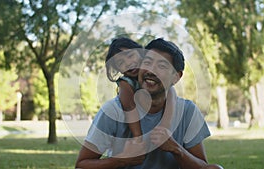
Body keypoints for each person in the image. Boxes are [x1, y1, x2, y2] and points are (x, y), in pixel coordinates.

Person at [75, 38, 223, 169]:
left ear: (176, 77)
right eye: (148, 63)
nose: (151, 71)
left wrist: (176, 149)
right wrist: (120, 160)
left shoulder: (187, 111)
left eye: (162, 66)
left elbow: (203, 166)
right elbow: (81, 165)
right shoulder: (114, 110)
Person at [104, 37, 175, 143]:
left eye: (130, 56)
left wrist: (165, 125)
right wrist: (138, 137)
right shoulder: (125, 83)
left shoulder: (151, 73)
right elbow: (129, 107)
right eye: (120, 62)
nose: (128, 63)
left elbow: (171, 93)